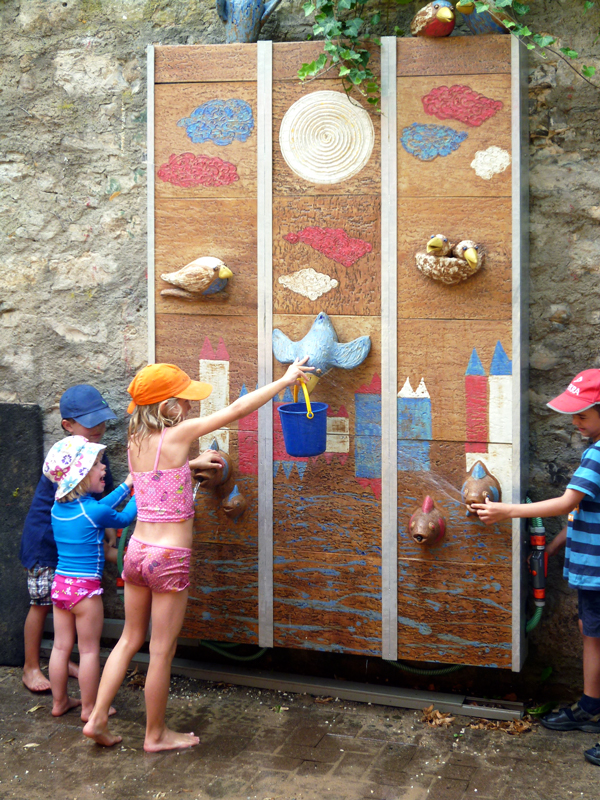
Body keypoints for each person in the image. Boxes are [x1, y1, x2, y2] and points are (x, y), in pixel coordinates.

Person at [83, 358, 312, 752]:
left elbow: (155, 477)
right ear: (169, 407)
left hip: (137, 551)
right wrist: (284, 380)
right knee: (161, 650)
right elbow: (237, 410)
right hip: (169, 558)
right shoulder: (180, 432)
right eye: (185, 400)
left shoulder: (135, 440)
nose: (190, 407)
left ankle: (98, 717)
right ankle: (155, 735)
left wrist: (191, 466)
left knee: (128, 639)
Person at [473, 369, 600, 766]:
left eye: (582, 415)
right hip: (591, 571)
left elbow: (566, 503)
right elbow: (582, 514)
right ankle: (591, 707)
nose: (575, 422)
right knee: (591, 635)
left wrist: (506, 511)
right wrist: (554, 548)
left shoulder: (597, 454)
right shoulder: (593, 449)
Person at [20, 385, 117, 693]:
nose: (99, 427)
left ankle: (63, 660)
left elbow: (103, 504)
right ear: (68, 426)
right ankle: (30, 666)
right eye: (91, 422)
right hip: (46, 543)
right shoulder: (64, 459)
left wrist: (110, 538)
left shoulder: (98, 456)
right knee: (41, 603)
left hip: (75, 550)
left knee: (71, 610)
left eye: (102, 420)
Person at [43, 435, 137, 720]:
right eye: (97, 464)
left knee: (60, 647)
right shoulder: (93, 511)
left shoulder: (58, 509)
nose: (104, 468)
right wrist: (141, 492)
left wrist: (127, 484)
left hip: (60, 587)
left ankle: (59, 702)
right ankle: (89, 708)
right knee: (88, 651)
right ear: (82, 476)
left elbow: (102, 509)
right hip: (85, 592)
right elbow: (120, 518)